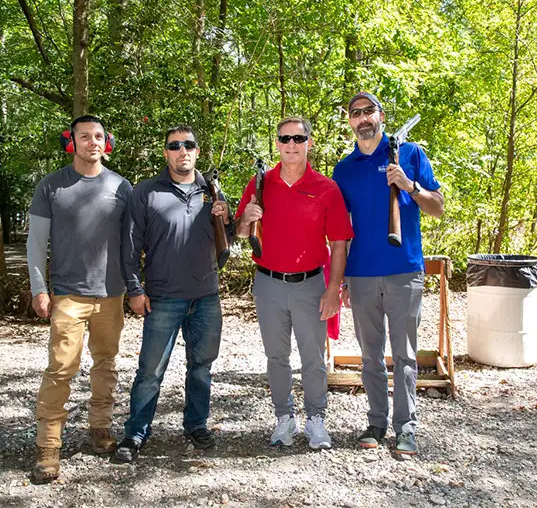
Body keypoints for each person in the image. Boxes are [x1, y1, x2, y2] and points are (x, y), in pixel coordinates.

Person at [114, 124, 234, 462]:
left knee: (201, 367)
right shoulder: (146, 191)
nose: (182, 151)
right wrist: (135, 289)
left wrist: (227, 219)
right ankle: (136, 433)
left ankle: (196, 425)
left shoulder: (212, 192)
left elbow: (230, 242)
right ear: (165, 152)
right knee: (150, 372)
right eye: (174, 145)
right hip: (163, 297)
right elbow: (130, 246)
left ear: (198, 151)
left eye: (189, 145)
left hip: (207, 297)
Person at [332, 92, 444, 455]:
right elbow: (340, 228)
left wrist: (408, 185)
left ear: (380, 115)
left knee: (406, 355)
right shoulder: (343, 169)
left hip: (404, 271)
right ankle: (376, 422)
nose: (362, 119)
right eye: (355, 114)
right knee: (370, 356)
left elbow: (438, 208)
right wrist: (344, 278)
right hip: (362, 275)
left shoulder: (410, 155)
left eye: (368, 111)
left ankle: (406, 425)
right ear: (349, 121)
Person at [235, 116, 354, 449]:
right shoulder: (260, 183)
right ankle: (284, 419)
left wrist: (333, 289)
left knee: (313, 359)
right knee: (276, 357)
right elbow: (241, 233)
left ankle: (316, 419)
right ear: (277, 143)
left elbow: (340, 242)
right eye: (285, 139)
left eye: (298, 139)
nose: (291, 145)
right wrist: (247, 217)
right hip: (268, 283)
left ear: (308, 143)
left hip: (311, 284)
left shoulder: (326, 188)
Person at [27, 115, 133, 481]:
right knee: (60, 370)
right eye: (84, 137)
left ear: (108, 142)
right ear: (71, 142)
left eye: (99, 136)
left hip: (111, 295)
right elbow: (36, 242)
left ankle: (100, 429)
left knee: (106, 364)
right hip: (68, 296)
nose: (93, 142)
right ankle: (48, 447)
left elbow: (134, 242)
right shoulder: (52, 186)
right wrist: (38, 288)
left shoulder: (122, 187)